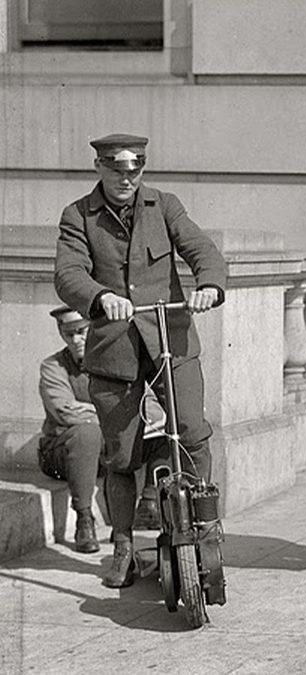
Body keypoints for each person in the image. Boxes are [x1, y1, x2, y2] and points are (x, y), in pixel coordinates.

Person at [54, 133, 227, 587]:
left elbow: (202, 250)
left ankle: (205, 526)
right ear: (99, 167)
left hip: (171, 338)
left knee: (191, 429)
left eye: (135, 169)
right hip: (115, 348)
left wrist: (208, 284)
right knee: (122, 456)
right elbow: (68, 274)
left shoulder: (164, 205)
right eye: (116, 169)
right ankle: (124, 543)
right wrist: (99, 297)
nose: (127, 178)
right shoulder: (78, 216)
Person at [37, 306, 168, 554]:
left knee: (165, 433)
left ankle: (149, 504)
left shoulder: (117, 363)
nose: (76, 340)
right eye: (69, 334)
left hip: (103, 451)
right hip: (62, 452)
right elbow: (64, 411)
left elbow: (151, 408)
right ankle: (84, 519)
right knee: (87, 433)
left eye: (82, 331)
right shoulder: (53, 366)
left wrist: (116, 417)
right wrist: (115, 415)